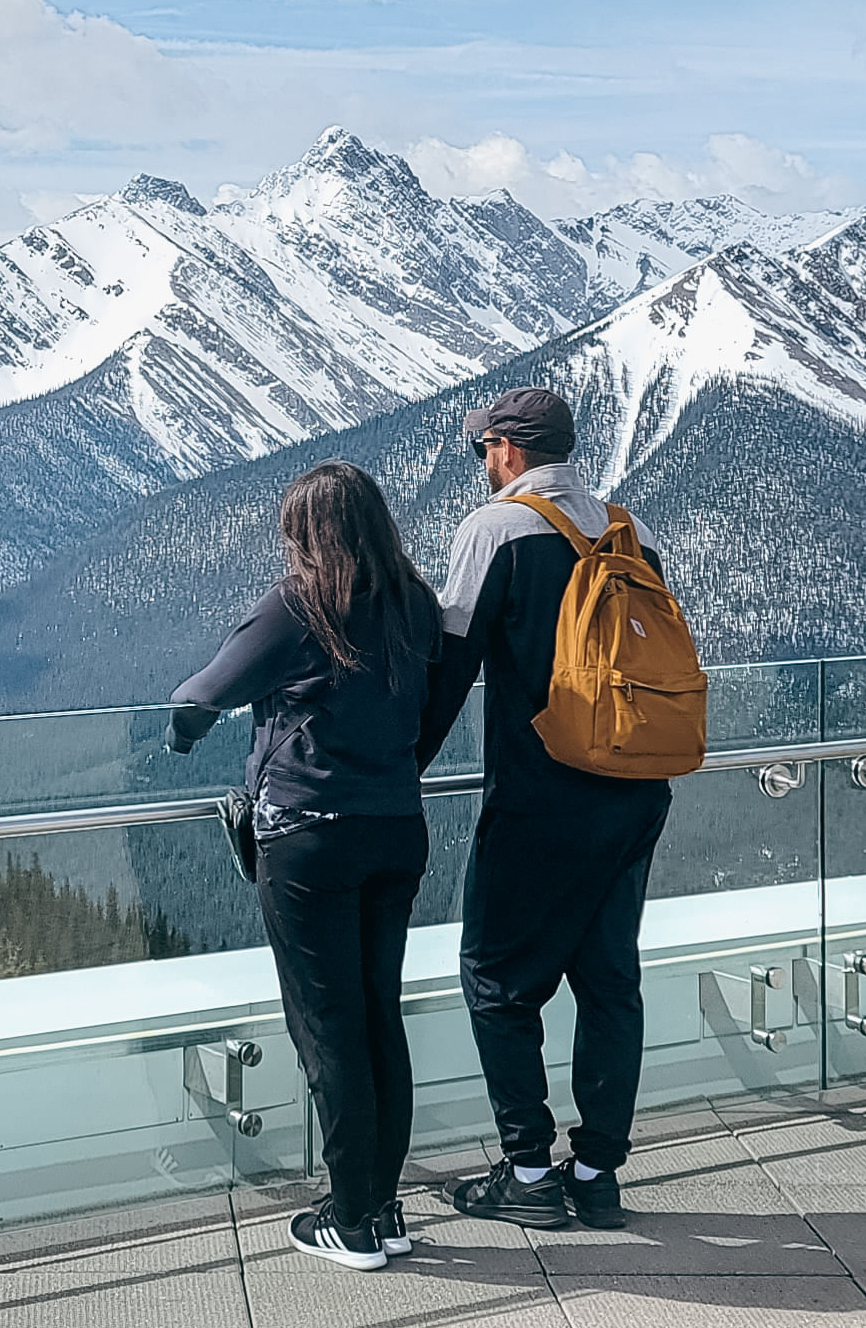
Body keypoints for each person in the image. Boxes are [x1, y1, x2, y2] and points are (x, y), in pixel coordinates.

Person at [170, 460, 439, 1270]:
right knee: (377, 1017)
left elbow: (199, 695)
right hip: (397, 828)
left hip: (310, 838)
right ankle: (383, 1206)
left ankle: (350, 1219)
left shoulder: (298, 606)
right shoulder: (415, 603)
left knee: (327, 1029)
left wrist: (183, 737)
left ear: (308, 535)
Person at [417, 387, 671, 1231]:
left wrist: (397, 764)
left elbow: (451, 665)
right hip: (634, 791)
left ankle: (527, 1173)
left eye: (483, 449)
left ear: (509, 451)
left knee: (495, 979)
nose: (483, 464)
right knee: (609, 983)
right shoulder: (622, 531)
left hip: (539, 797)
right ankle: (596, 1173)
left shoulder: (498, 529)